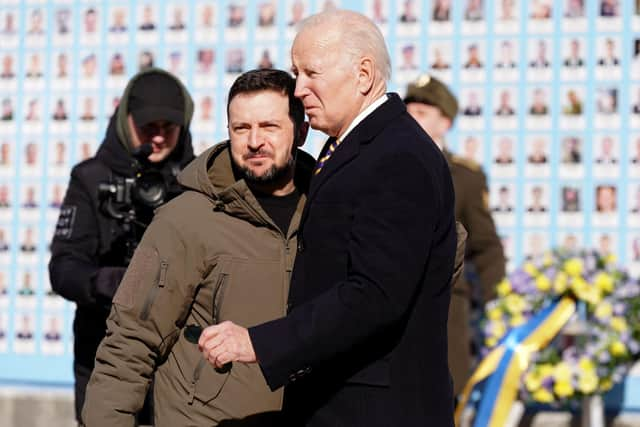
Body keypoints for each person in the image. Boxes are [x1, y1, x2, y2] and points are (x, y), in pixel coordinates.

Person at [198, 10, 466, 426]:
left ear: (363, 75)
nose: (298, 88)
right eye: (294, 71)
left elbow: (374, 294)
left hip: (376, 410)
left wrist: (258, 342)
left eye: (311, 73)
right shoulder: (354, 146)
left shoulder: (397, 157)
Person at [83, 69, 314, 425]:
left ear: (301, 131)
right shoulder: (184, 219)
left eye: (269, 126)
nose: (254, 141)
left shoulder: (327, 211)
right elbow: (129, 342)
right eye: (241, 128)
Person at [48, 68, 195, 425]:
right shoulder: (91, 178)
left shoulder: (196, 182)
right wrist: (110, 282)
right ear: (125, 119)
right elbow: (64, 268)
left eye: (168, 128)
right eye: (148, 128)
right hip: (102, 351)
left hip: (177, 360)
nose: (158, 139)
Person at [403, 74, 505, 397]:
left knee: (443, 400)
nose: (411, 118)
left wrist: (495, 302)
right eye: (408, 111)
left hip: (444, 310)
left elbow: (486, 246)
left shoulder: (465, 177)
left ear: (445, 123)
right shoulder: (379, 164)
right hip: (383, 305)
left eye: (422, 112)